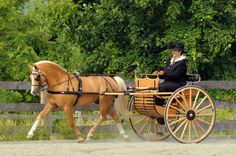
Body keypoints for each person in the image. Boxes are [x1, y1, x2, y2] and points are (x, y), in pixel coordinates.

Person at [153, 42, 187, 125]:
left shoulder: (182, 63)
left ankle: (161, 110)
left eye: (175, 51)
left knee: (161, 87)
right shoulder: (170, 61)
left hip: (178, 84)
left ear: (180, 52)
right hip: (168, 82)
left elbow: (175, 75)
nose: (173, 52)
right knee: (156, 86)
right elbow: (165, 71)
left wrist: (164, 73)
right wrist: (158, 73)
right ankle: (157, 109)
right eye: (173, 51)